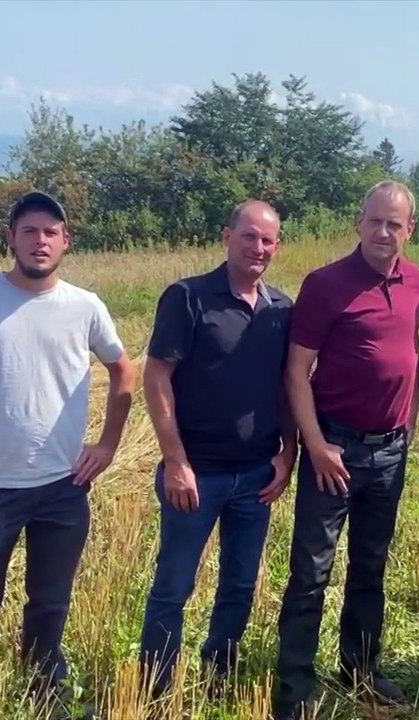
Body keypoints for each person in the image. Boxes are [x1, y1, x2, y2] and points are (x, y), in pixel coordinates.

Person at [0, 190, 136, 720]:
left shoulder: (85, 306)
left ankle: (44, 693)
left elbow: (124, 371)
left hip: (63, 488)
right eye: (29, 231)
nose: (41, 241)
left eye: (51, 232)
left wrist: (106, 446)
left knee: (50, 604)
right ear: (10, 238)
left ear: (66, 241)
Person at [271, 180, 419, 720]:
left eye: (395, 224)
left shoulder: (417, 280)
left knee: (371, 564)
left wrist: (406, 427)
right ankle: (293, 687)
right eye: (376, 221)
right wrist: (314, 445)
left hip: (389, 451)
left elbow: (407, 350)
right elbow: (296, 372)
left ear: (410, 229)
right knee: (311, 571)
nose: (384, 232)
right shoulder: (325, 284)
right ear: (358, 223)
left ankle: (359, 667)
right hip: (333, 450)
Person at [136, 200, 297, 701]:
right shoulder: (188, 298)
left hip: (256, 476)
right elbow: (156, 375)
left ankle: (218, 673)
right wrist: (176, 461)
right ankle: (155, 687)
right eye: (249, 236)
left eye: (268, 240)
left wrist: (287, 453)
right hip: (197, 476)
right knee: (173, 586)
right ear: (226, 236)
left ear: (277, 246)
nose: (258, 248)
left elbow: (286, 386)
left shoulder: (280, 309)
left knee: (240, 585)